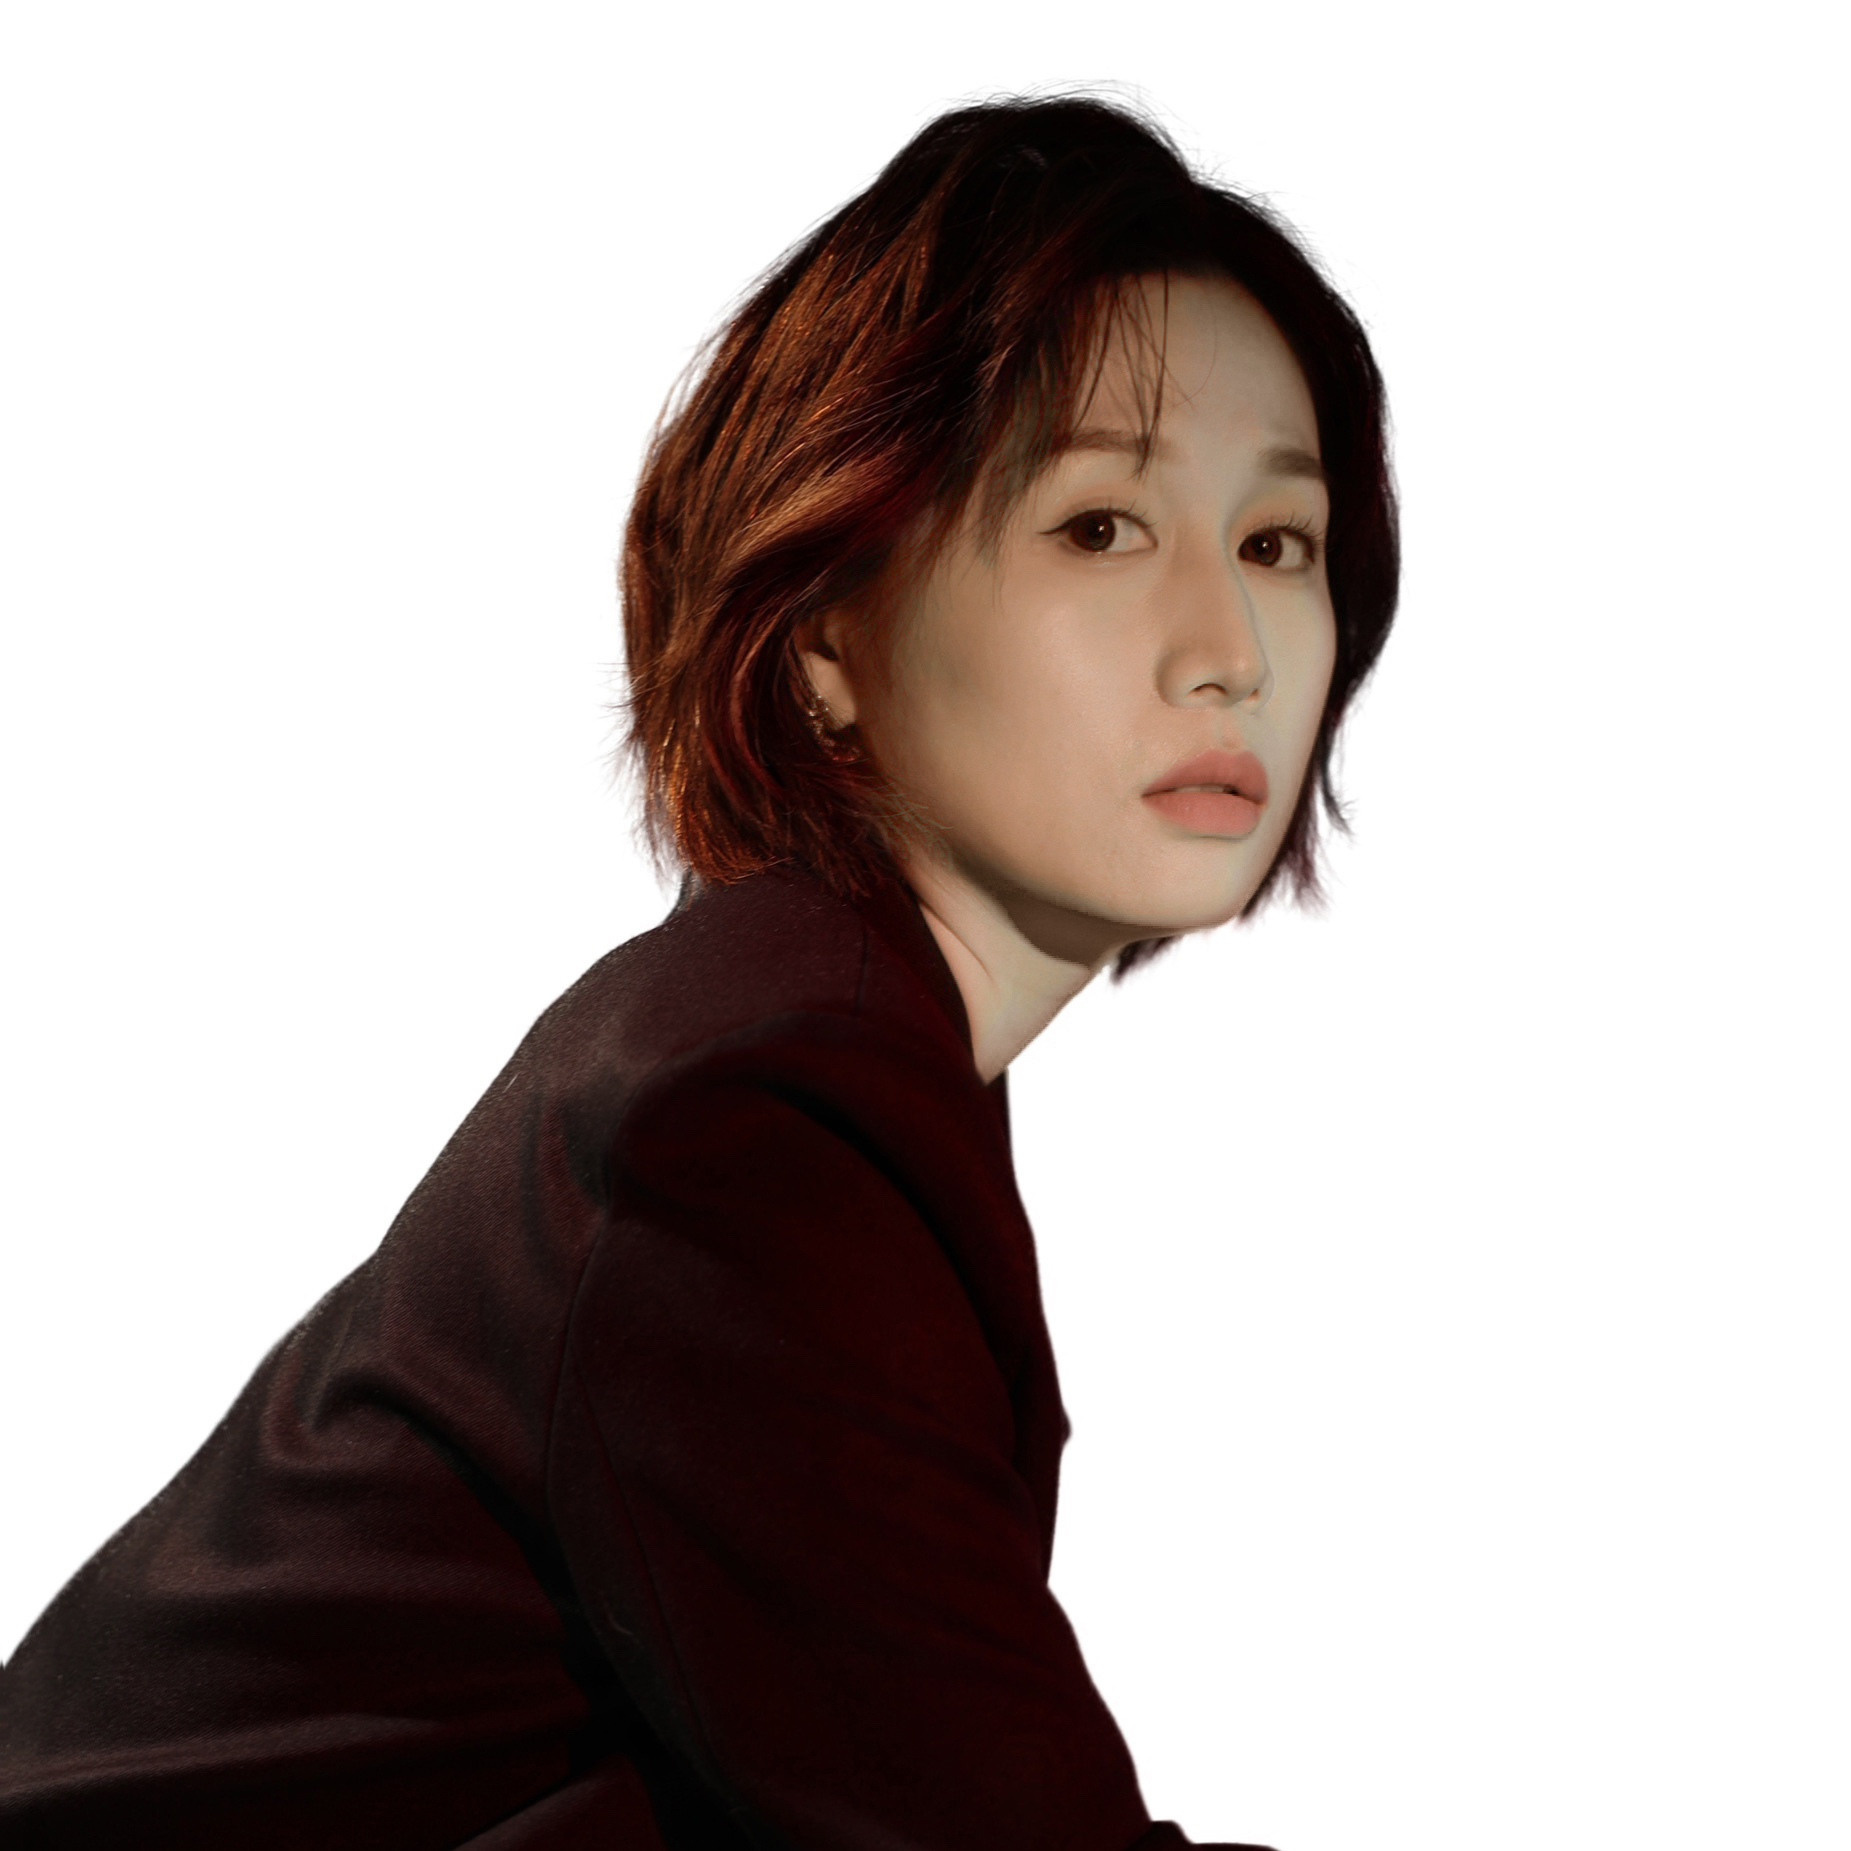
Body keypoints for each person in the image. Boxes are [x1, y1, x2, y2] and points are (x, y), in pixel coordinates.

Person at [0, 94, 1397, 1849]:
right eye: (1100, 527)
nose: (1232, 651)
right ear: (823, 630)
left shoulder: (823, 1037)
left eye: (1277, 544)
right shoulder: (764, 1113)